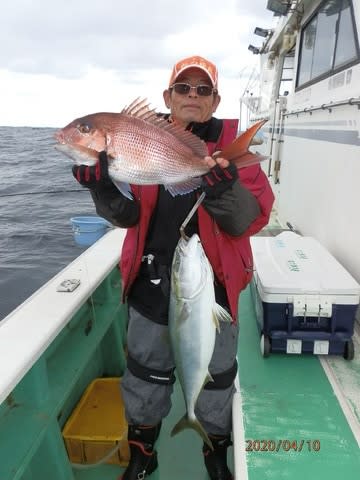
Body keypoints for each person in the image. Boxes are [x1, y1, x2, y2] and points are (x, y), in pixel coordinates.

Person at [72, 55, 274, 480]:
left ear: (216, 100)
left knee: (217, 377)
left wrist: (224, 191)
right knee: (144, 372)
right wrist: (103, 187)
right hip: (150, 282)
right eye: (184, 88)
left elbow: (248, 221)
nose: (192, 97)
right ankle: (144, 453)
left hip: (212, 286)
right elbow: (128, 218)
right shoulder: (144, 139)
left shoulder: (229, 149)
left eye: (203, 90)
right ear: (168, 96)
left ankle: (214, 450)